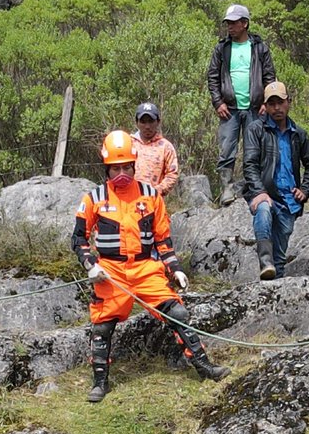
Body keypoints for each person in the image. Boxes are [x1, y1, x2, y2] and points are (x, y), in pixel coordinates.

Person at [72, 131, 227, 402]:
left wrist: (175, 268)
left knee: (178, 312)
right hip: (111, 271)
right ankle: (99, 382)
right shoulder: (94, 198)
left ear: (134, 165)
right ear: (106, 169)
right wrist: (90, 265)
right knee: (102, 327)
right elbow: (78, 238)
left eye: (126, 167)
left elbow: (163, 239)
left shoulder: (150, 195)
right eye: (115, 168)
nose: (121, 173)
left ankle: (203, 366)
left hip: (146, 268)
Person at [242, 81, 309, 280]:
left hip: (289, 200)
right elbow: (249, 164)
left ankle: (274, 296)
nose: (276, 108)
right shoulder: (256, 130)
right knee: (263, 210)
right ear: (265, 106)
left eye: (280, 102)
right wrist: (259, 191)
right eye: (271, 103)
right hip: (264, 194)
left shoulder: (298, 134)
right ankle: (264, 259)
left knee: (280, 257)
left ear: (288, 102)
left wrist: (305, 190)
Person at [206, 3, 274, 200]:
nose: (230, 26)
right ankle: (227, 188)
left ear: (245, 23)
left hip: (255, 108)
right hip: (230, 109)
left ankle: (255, 187)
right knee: (227, 148)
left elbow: (269, 76)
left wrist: (266, 102)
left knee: (255, 149)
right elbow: (213, 77)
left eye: (234, 23)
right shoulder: (222, 48)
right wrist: (218, 102)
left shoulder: (260, 48)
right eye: (228, 23)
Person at [130, 102, 179, 197]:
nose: (147, 126)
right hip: (129, 200)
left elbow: (172, 174)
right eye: (143, 122)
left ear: (158, 122)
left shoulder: (166, 146)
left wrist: (156, 191)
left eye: (151, 121)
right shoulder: (128, 143)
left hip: (154, 201)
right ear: (137, 123)